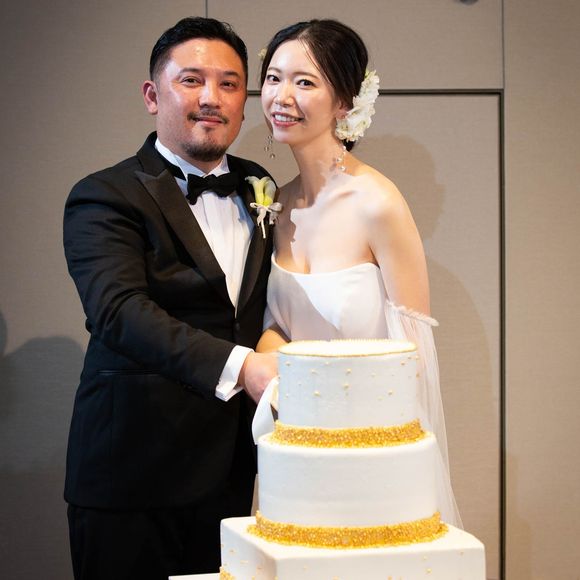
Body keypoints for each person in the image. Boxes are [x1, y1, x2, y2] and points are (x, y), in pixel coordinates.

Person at [63, 17, 278, 580]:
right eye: (191, 80)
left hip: (233, 476)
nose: (212, 97)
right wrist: (244, 367)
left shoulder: (262, 186)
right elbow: (117, 312)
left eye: (230, 84)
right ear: (152, 95)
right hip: (132, 476)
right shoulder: (104, 194)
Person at [254, 19, 462, 527]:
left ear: (345, 102)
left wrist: (363, 437)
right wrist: (269, 371)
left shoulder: (377, 202)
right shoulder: (277, 202)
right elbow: (280, 323)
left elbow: (414, 353)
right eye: (274, 78)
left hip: (371, 449)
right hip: (299, 442)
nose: (282, 96)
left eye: (305, 82)